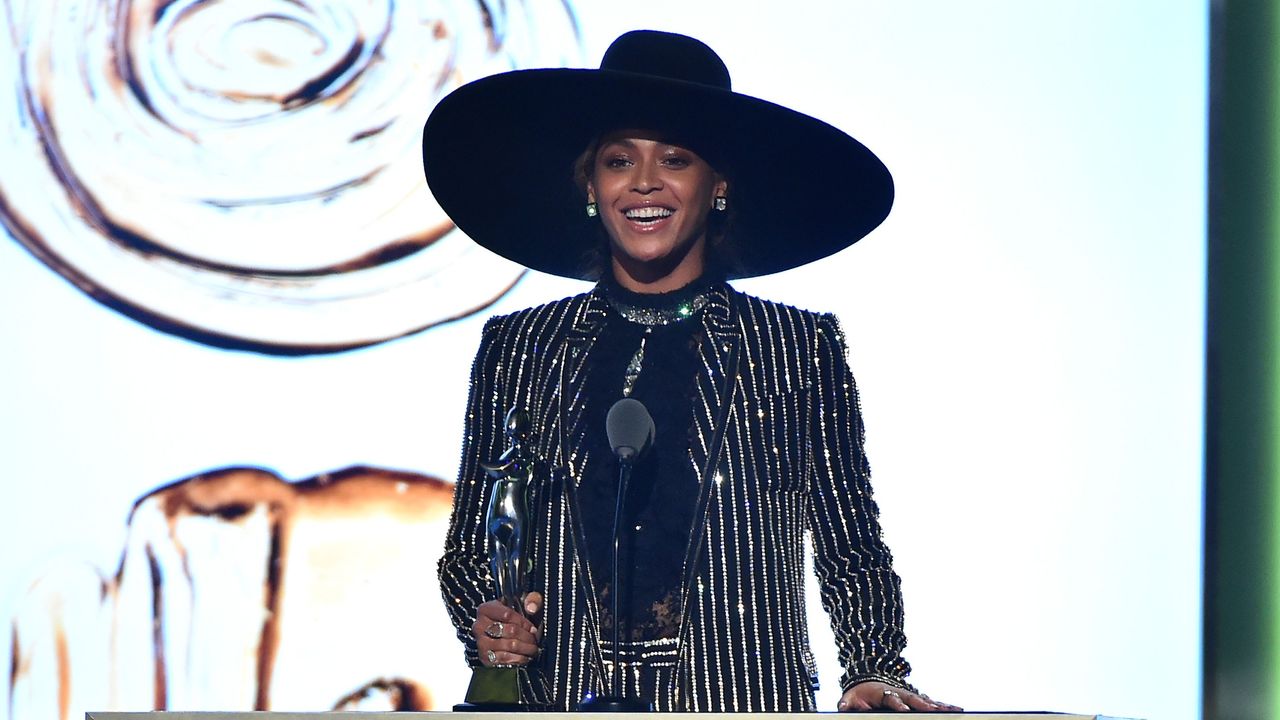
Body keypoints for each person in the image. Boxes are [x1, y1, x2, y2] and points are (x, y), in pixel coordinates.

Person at [426, 30, 958, 713]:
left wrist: (874, 664)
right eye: (619, 160)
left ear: (719, 185)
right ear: (592, 185)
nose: (643, 181)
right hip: (554, 703)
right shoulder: (521, 347)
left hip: (740, 701)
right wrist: (492, 625)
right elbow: (473, 544)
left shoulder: (795, 346)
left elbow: (849, 538)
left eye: (674, 158)